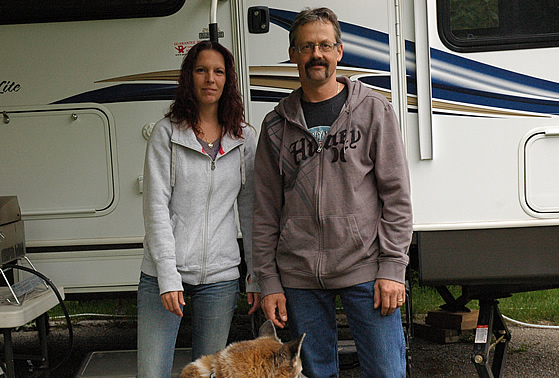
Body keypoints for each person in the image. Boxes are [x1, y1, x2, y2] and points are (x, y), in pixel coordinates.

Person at [253, 7, 412, 378]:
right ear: (293, 55)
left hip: (366, 270)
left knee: (388, 372)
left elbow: (397, 197)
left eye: (325, 45)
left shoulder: (373, 111)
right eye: (306, 47)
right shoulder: (276, 125)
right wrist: (270, 282)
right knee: (315, 374)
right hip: (299, 276)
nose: (316, 55)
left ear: (339, 51)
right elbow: (264, 211)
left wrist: (392, 268)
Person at [138, 41, 260, 377]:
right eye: (201, 70)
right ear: (189, 77)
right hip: (163, 272)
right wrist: (167, 275)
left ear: (227, 80)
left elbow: (249, 210)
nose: (210, 78)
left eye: (218, 71)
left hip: (220, 277)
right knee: (151, 373)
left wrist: (255, 274)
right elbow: (156, 208)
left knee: (207, 374)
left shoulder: (243, 137)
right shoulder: (167, 134)